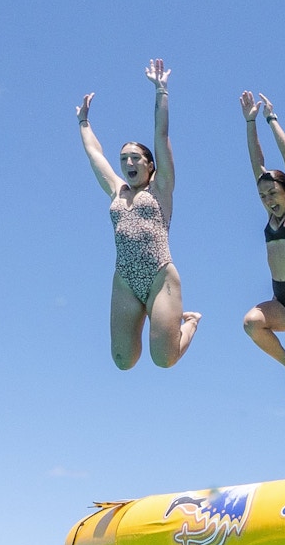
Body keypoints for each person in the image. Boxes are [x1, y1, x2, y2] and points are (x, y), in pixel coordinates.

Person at [76, 58, 200, 370]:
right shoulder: (117, 190)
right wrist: (83, 123)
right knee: (123, 360)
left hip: (160, 275)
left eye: (134, 158)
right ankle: (143, 317)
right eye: (123, 159)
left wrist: (161, 91)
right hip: (125, 279)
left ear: (149, 164)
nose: (128, 163)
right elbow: (94, 155)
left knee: (164, 359)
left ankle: (192, 322)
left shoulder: (161, 187)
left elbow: (161, 136)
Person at [240, 90, 285, 394]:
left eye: (273, 193)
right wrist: (250, 122)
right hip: (283, 302)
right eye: (262, 196)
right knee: (251, 323)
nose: (267, 200)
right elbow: (256, 163)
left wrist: (271, 119)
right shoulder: (271, 220)